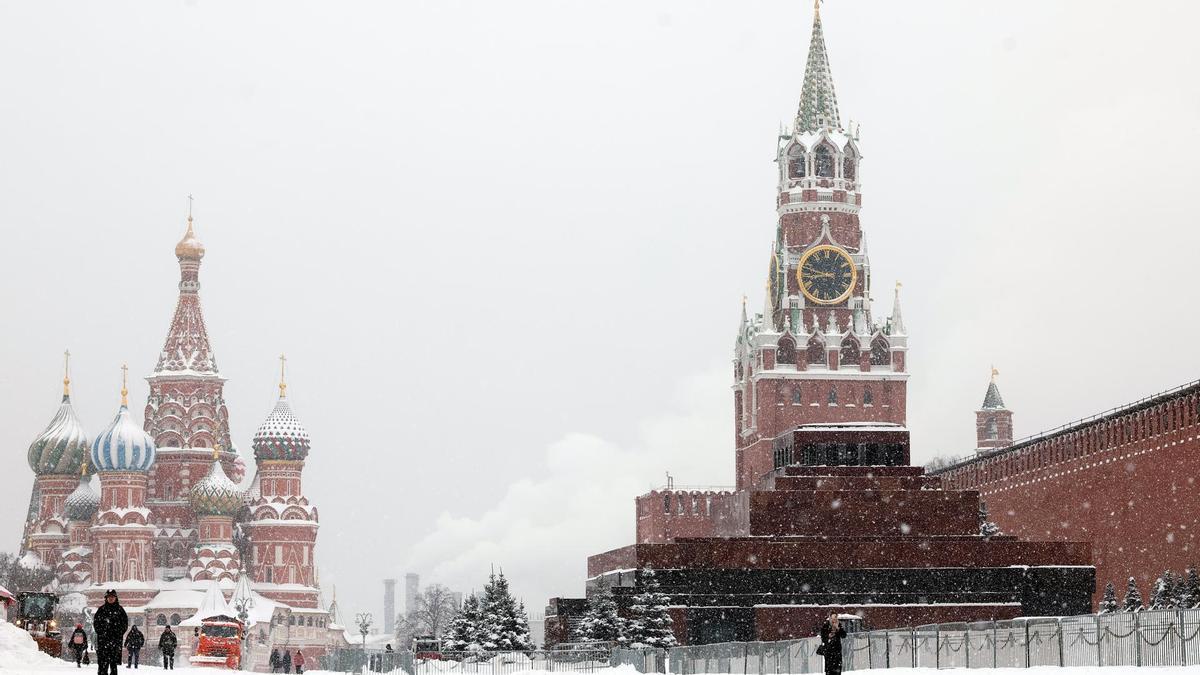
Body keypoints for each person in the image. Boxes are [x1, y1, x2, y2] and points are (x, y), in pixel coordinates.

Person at [93, 590, 128, 675]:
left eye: (112, 597)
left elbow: (125, 624)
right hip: (103, 641)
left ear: (116, 598)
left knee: (113, 665)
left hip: (115, 641)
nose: (111, 598)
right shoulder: (101, 609)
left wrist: (118, 633)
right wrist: (102, 632)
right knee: (102, 665)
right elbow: (96, 623)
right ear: (106, 598)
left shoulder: (120, 610)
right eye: (109, 597)